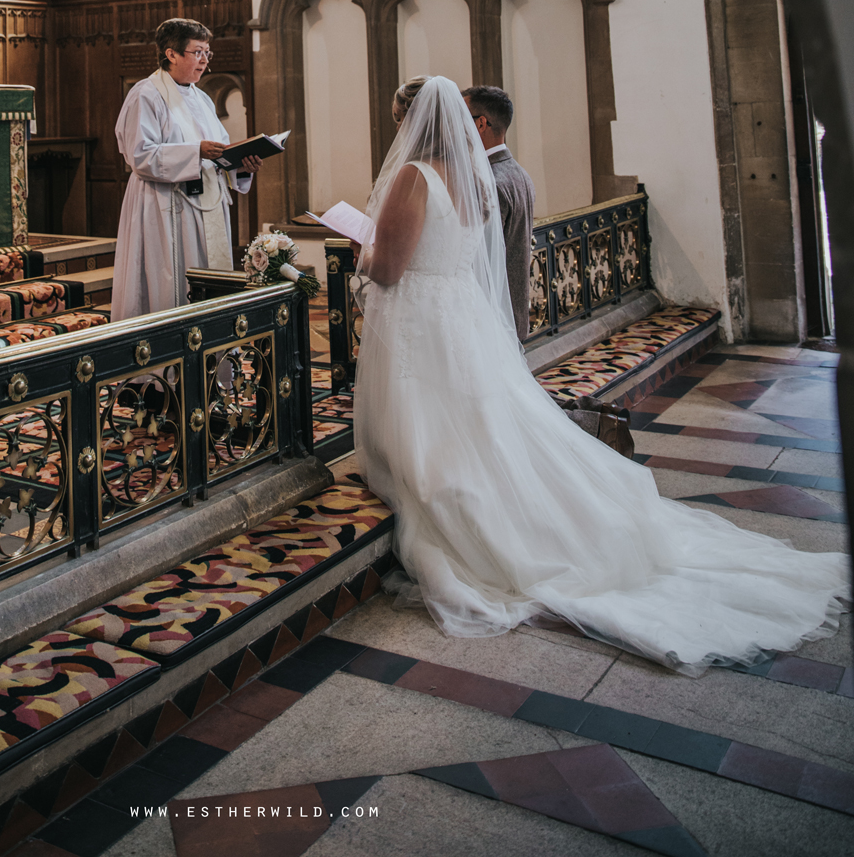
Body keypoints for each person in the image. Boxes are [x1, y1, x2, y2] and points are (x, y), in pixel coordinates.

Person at [353, 76, 848, 673]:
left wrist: (362, 251)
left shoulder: (416, 177)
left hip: (425, 318)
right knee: (475, 415)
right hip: (463, 316)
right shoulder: (477, 177)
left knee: (431, 421)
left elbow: (388, 270)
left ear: (414, 125)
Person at [111, 19, 261, 321]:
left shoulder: (201, 97)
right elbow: (140, 155)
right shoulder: (146, 94)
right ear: (171, 54)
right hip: (165, 207)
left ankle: (212, 360)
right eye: (197, 52)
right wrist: (195, 152)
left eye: (207, 53)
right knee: (171, 282)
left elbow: (220, 148)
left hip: (207, 207)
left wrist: (241, 165)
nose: (204, 60)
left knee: (209, 281)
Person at [463, 84, 535, 338]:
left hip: (491, 316)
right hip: (513, 311)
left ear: (481, 123)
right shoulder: (519, 173)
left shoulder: (488, 181)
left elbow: (476, 256)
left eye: (461, 118)